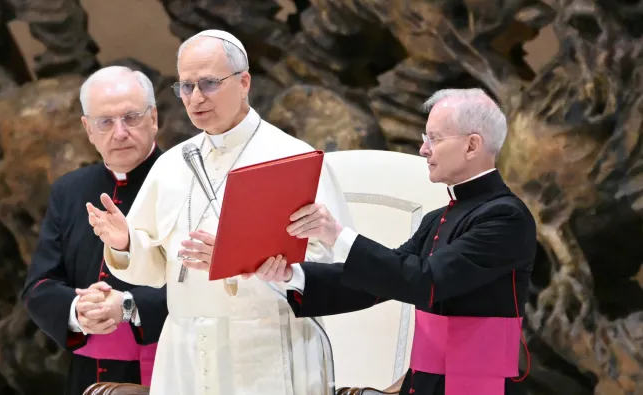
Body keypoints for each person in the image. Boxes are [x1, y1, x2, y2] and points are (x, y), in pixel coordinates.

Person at [85, 30, 354, 395]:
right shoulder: (171, 165)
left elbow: (331, 263)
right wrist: (125, 243)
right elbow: (156, 271)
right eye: (185, 86)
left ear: (244, 82)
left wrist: (234, 258)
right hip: (186, 349)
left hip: (264, 349)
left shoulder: (292, 159)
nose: (195, 98)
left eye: (209, 84)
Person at [278, 88, 536, 395]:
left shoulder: (506, 217)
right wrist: (292, 276)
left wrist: (337, 234)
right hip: (424, 383)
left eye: (434, 138)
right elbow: (379, 282)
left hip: (476, 384)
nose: (423, 149)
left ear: (472, 145)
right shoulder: (438, 217)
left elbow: (427, 281)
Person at [21, 65, 168, 395]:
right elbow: (38, 286)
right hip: (89, 380)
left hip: (172, 370)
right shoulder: (69, 191)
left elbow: (205, 287)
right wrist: (78, 311)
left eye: (131, 117)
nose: (119, 132)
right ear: (88, 129)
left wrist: (128, 307)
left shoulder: (187, 182)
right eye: (105, 122)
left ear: (154, 118)